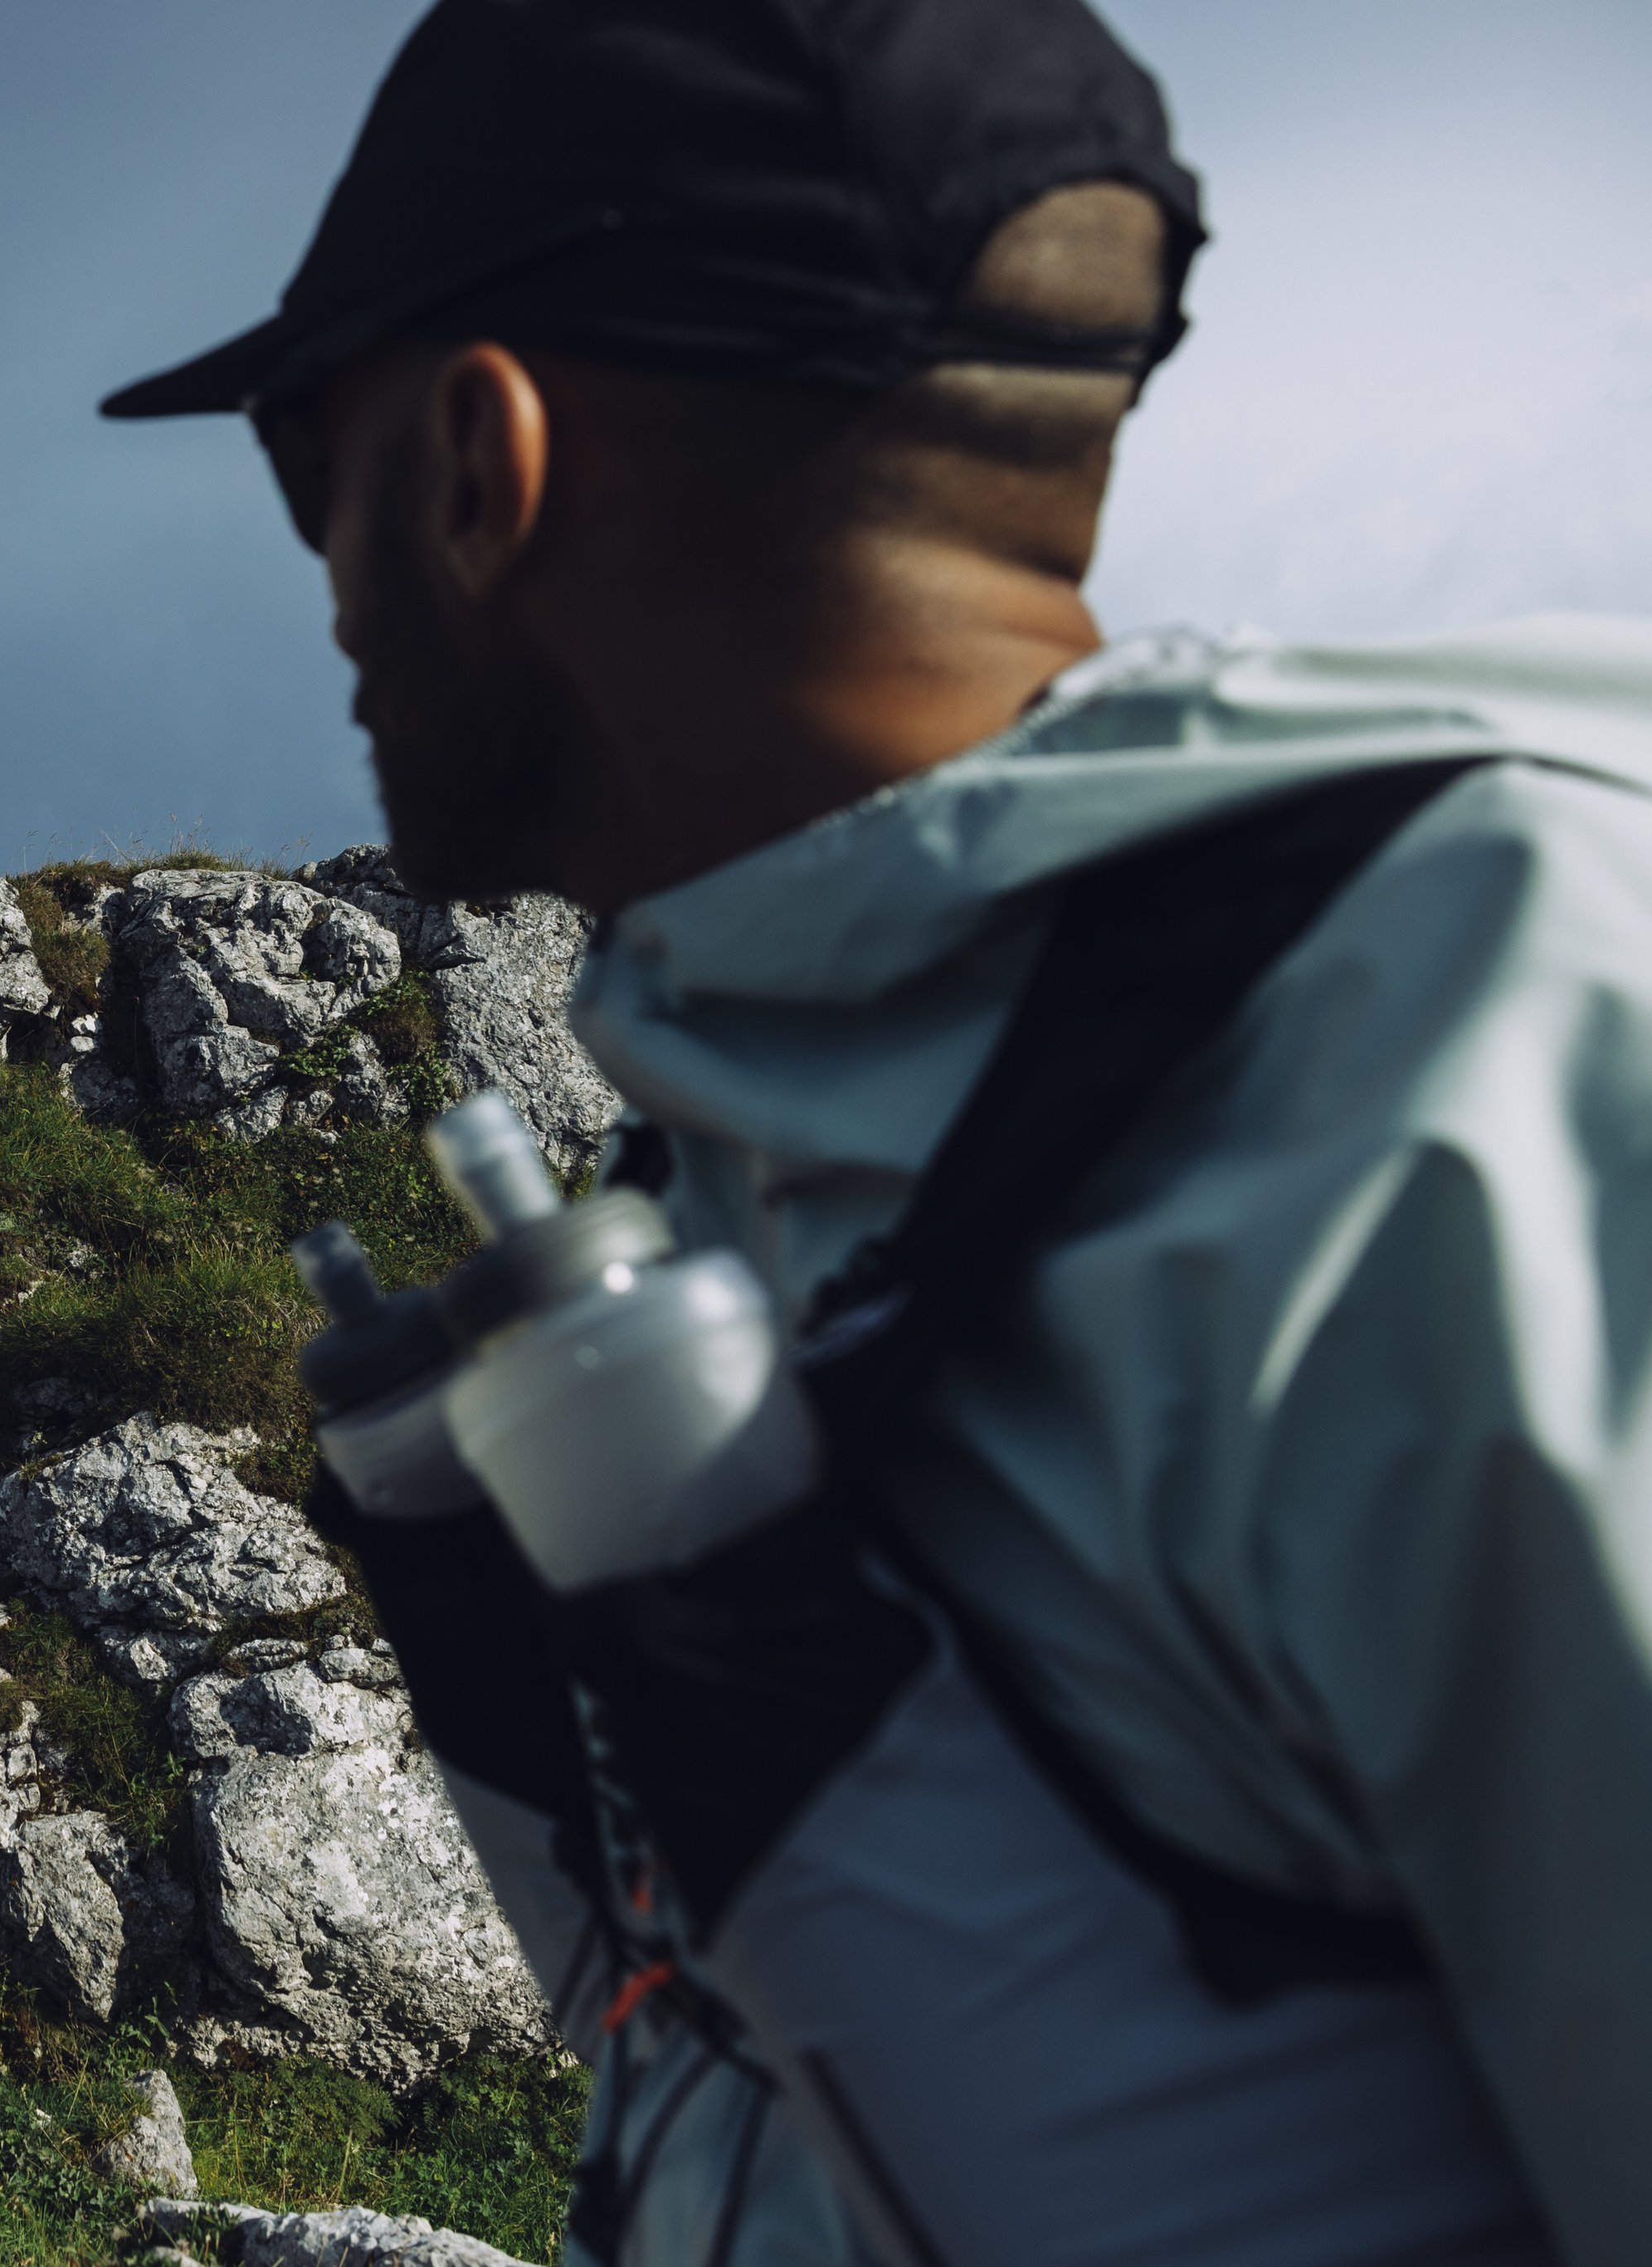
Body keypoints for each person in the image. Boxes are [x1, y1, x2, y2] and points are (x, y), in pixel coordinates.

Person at [105, 2, 1652, 2263]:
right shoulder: (801, 1153)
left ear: (475, 459)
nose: (326, 583)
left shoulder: (1502, 1040)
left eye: (296, 458)